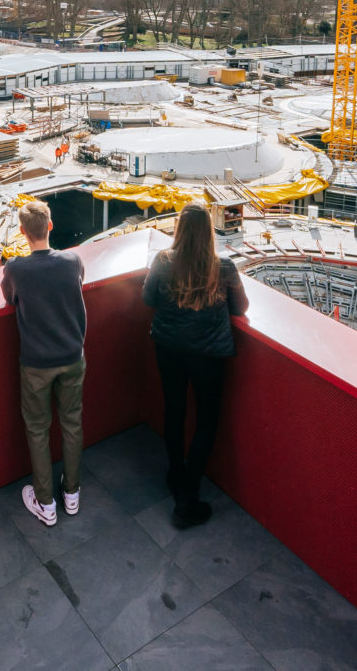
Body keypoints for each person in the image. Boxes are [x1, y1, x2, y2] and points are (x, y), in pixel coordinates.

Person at [144, 204, 249, 529]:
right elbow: (241, 306)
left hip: (169, 349)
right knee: (207, 419)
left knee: (174, 411)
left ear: (179, 230)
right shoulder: (224, 267)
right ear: (208, 232)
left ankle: (175, 475)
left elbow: (148, 299)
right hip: (208, 355)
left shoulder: (163, 261)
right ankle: (188, 495)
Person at [0, 199, 85, 527]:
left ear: (22, 233)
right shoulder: (72, 260)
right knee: (72, 423)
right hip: (73, 356)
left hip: (36, 362)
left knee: (37, 428)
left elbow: (9, 298)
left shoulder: (17, 268)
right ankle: (72, 494)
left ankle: (46, 502)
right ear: (50, 226)